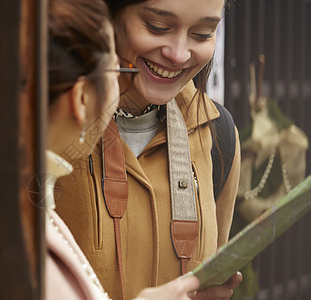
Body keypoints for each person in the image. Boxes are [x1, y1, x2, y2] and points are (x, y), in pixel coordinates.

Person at [55, 0, 243, 299]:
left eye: (203, 33)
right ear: (107, 17)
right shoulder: (47, 130)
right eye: (157, 27)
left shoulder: (217, 134)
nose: (178, 54)